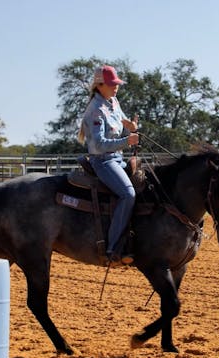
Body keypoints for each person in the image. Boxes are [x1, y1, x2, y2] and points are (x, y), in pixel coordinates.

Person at [77, 65, 139, 266]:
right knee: (128, 194)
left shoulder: (112, 101)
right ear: (100, 85)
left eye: (116, 84)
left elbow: (120, 120)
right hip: (103, 161)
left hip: (117, 158)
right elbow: (98, 145)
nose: (116, 87)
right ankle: (113, 247)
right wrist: (126, 141)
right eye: (112, 84)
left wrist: (129, 125)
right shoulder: (95, 111)